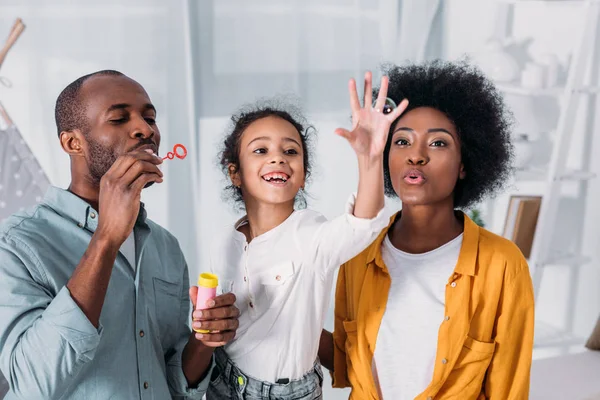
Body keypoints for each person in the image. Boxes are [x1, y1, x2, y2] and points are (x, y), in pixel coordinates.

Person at [0, 70, 239, 399]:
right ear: (73, 143)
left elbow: (172, 384)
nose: (145, 128)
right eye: (119, 118)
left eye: (150, 117)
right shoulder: (16, 244)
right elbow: (33, 385)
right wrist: (106, 239)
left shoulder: (165, 246)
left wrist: (203, 341)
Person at [318, 60, 535, 400]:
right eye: (402, 142)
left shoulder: (502, 264)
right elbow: (347, 366)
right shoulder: (357, 251)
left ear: (465, 164)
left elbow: (509, 388)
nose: (416, 156)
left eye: (438, 144)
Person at [205, 74, 408, 399]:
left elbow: (363, 224)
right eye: (260, 149)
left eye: (291, 151)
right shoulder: (223, 241)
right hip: (223, 380)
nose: (278, 157)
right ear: (235, 172)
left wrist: (370, 158)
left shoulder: (311, 234)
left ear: (302, 176)